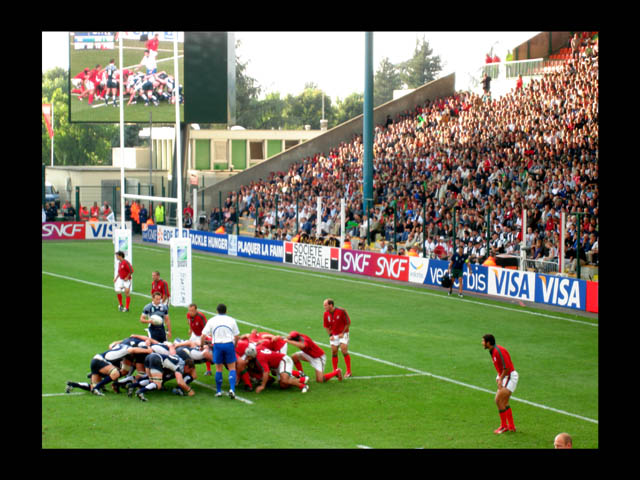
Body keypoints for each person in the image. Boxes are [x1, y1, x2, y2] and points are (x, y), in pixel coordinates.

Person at [200, 303, 240, 399]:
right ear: (226, 311)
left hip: (217, 345)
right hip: (229, 344)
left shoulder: (212, 320)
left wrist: (202, 346)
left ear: (217, 311)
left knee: (218, 368)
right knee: (232, 368)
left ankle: (218, 391)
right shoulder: (231, 320)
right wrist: (234, 345)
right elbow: (237, 336)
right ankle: (232, 389)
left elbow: (203, 335)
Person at [482, 334, 518, 434]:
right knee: (504, 401)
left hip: (509, 376)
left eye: (483, 341)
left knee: (498, 400)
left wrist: (501, 379)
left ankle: (504, 426)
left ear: (488, 343)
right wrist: (499, 377)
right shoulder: (493, 351)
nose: (482, 343)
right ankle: (511, 426)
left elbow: (506, 368)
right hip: (506, 376)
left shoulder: (498, 351)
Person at [244, 344, 309, 394]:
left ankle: (303, 386)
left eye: (248, 357)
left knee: (284, 380)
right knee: (283, 386)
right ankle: (301, 379)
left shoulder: (260, 359)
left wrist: (262, 386)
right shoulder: (258, 349)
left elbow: (266, 372)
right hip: (277, 365)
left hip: (283, 360)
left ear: (252, 356)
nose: (247, 358)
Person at [323, 298, 352, 378]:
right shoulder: (326, 314)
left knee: (343, 349)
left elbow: (348, 322)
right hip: (334, 335)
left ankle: (349, 371)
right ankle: (335, 371)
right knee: (334, 351)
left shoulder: (341, 311)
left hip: (343, 333)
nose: (324, 307)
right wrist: (330, 335)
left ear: (331, 305)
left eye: (325, 305)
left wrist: (342, 333)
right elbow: (326, 326)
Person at [186, 303, 212, 375]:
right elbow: (190, 322)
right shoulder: (188, 315)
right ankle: (190, 368)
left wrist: (207, 337)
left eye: (192, 311)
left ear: (196, 310)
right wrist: (190, 329)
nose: (190, 312)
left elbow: (206, 327)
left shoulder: (201, 316)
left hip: (201, 335)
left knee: (205, 349)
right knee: (188, 349)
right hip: (194, 334)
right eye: (189, 310)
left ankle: (208, 370)